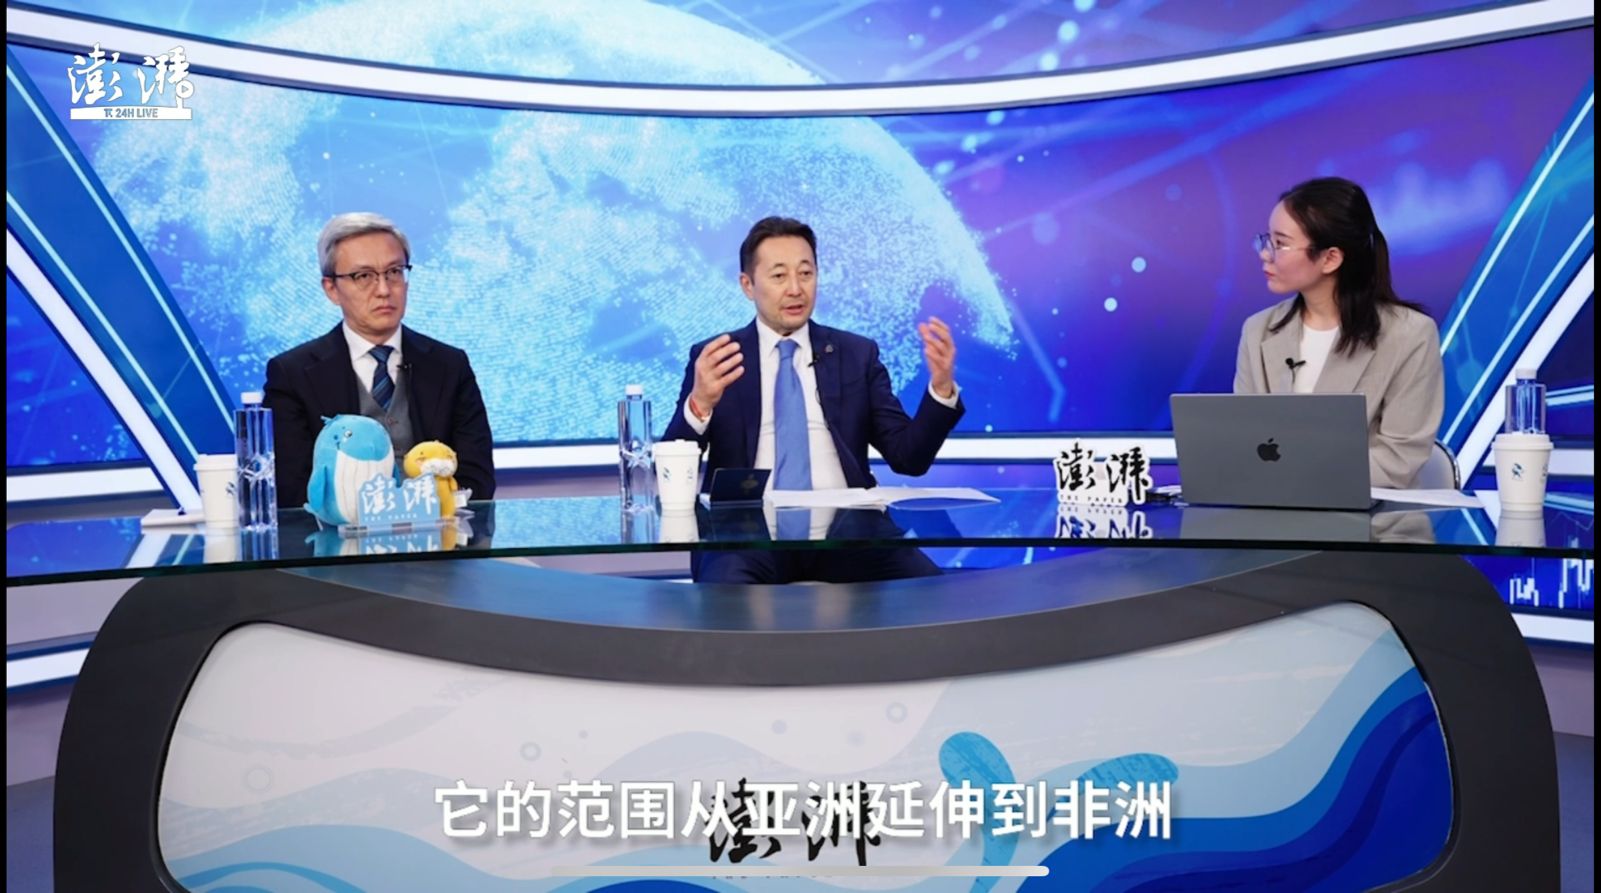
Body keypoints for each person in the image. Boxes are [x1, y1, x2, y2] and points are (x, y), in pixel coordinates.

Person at [663, 216, 963, 583]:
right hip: (746, 537)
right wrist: (700, 403)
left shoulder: (856, 354)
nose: (795, 289)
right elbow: (672, 466)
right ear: (747, 285)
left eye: (805, 274)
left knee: (935, 595)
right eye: (779, 276)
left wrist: (941, 389)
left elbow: (909, 458)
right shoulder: (718, 357)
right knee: (726, 602)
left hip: (852, 535)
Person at [264, 212, 495, 509]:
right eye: (364, 276)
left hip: (437, 533)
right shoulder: (292, 374)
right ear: (331, 289)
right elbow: (291, 490)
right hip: (338, 537)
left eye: (394, 272)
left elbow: (477, 478)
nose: (384, 290)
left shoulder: (450, 365)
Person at [1234, 177, 1444, 489]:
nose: (1265, 254)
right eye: (1267, 240)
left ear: (1330, 258)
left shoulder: (1411, 335)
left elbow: (1398, 459)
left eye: (1280, 244)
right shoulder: (1258, 331)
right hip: (1271, 507)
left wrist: (1296, 475)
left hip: (1372, 513)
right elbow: (1243, 441)